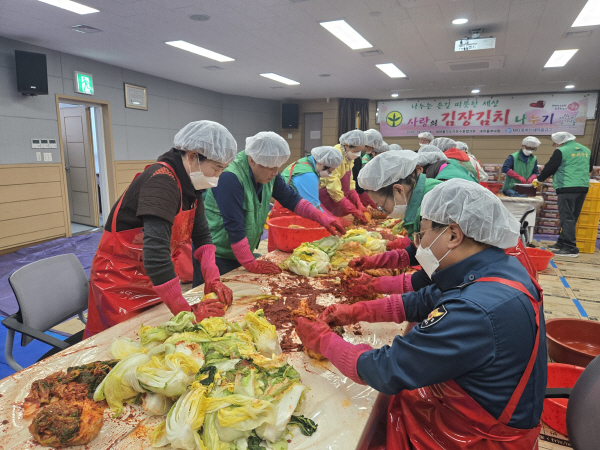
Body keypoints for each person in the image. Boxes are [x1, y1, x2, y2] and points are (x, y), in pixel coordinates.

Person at [296, 179, 546, 449]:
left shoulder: (476, 310)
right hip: (471, 406)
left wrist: (324, 341)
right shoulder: (496, 267)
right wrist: (355, 311)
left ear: (453, 235)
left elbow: (387, 369)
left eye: (423, 233)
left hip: (479, 437)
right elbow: (424, 300)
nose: (419, 245)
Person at [85, 121, 237, 337]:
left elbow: (202, 235)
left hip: (154, 282)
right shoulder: (162, 183)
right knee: (127, 346)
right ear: (193, 156)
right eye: (216, 168)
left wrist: (213, 279)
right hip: (119, 284)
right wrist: (185, 313)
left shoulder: (191, 185)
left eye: (222, 170)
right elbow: (156, 257)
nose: (218, 176)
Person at [196, 132, 345, 286]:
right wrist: (250, 263)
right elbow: (234, 226)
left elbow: (291, 199)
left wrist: (322, 218)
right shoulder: (230, 178)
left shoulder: (267, 171)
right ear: (253, 160)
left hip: (240, 251)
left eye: (277, 167)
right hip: (217, 255)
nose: (275, 172)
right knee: (209, 294)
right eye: (271, 168)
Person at [347, 151, 443, 296]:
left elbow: (432, 275)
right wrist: (375, 261)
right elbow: (421, 251)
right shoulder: (424, 197)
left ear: (398, 190)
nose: (383, 211)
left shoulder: (432, 208)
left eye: (381, 205)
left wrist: (374, 285)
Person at [267, 146, 343, 251]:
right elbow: (314, 206)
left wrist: (331, 217)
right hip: (287, 215)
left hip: (287, 210)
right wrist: (331, 220)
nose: (330, 174)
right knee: (285, 251)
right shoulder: (307, 175)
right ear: (322, 164)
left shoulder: (305, 163)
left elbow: (315, 203)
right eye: (330, 171)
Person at [537, 132, 592, 257]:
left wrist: (539, 179)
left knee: (566, 218)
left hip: (567, 187)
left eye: (554, 143)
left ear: (559, 142)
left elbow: (550, 167)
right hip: (582, 187)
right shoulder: (586, 150)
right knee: (572, 217)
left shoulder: (561, 151)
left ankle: (570, 248)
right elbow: (589, 168)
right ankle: (561, 243)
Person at [320, 130, 370, 223]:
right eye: (356, 151)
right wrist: (353, 209)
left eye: (360, 151)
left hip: (339, 198)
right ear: (346, 145)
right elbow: (333, 188)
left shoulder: (349, 156)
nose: (357, 154)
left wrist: (358, 203)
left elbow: (350, 182)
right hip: (327, 196)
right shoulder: (334, 157)